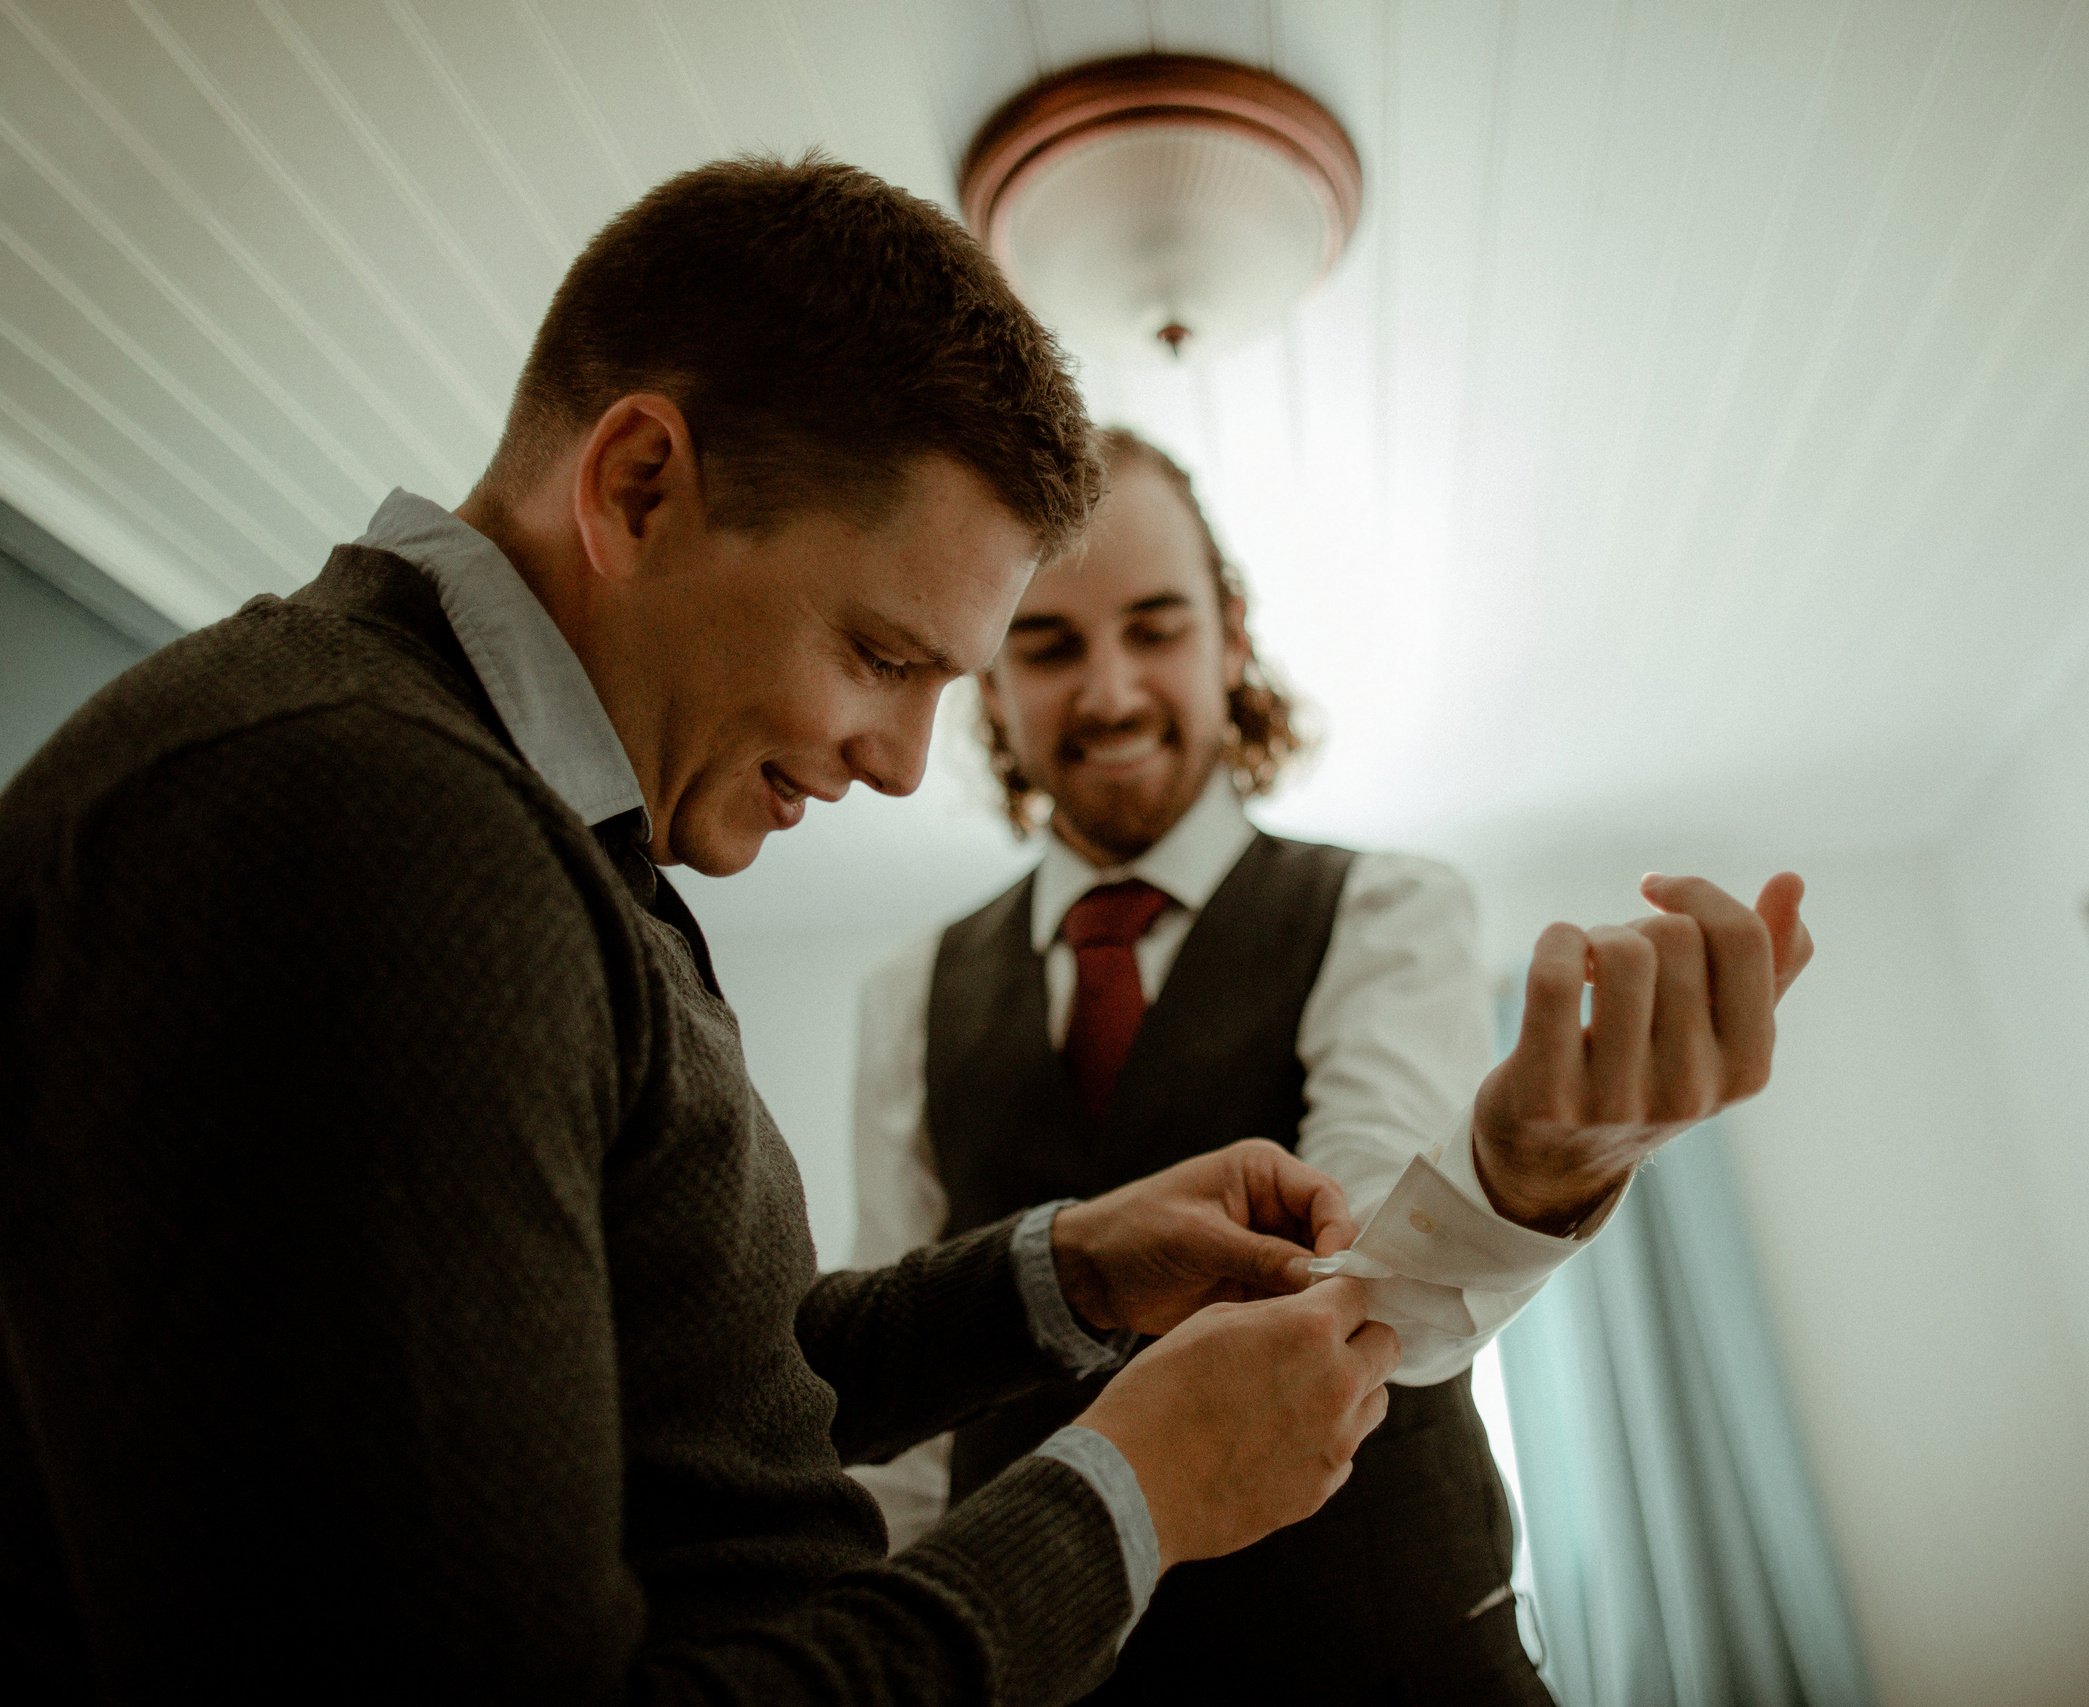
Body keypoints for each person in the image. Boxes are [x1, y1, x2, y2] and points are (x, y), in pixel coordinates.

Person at [0, 157, 1412, 1704]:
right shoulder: (367, 824)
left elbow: (680, 1385)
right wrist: (1130, 1494)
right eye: (880, 653)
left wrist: (1064, 1270)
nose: (903, 760)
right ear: (638, 486)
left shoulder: (520, 827)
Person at [850, 429, 1814, 1704]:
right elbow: (910, 1403)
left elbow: (1365, 1244)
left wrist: (1519, 1178)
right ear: (990, 679)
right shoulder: (905, 994)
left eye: (1155, 628)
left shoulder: (1387, 909)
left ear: (1229, 634)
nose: (1112, 691)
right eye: (1049, 644)